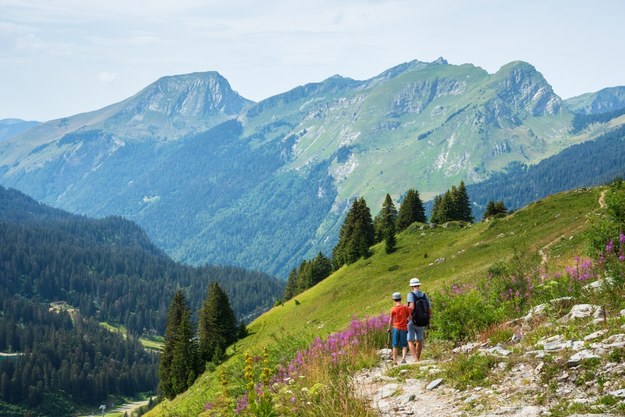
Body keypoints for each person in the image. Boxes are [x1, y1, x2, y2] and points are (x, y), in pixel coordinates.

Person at [406, 277, 432, 361]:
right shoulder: (424, 295)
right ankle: (418, 358)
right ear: (418, 285)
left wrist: (407, 315)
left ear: (411, 286)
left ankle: (415, 359)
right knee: (419, 340)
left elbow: (412, 307)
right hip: (422, 320)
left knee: (410, 340)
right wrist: (428, 319)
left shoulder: (410, 295)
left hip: (413, 320)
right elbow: (429, 308)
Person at [387, 292, 410, 365]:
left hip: (396, 328)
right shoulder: (405, 307)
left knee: (395, 345)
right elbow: (410, 317)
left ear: (393, 299)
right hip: (404, 328)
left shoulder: (393, 309)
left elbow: (390, 320)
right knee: (404, 344)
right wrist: (406, 321)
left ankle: (395, 361)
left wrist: (389, 328)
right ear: (401, 298)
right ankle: (403, 359)